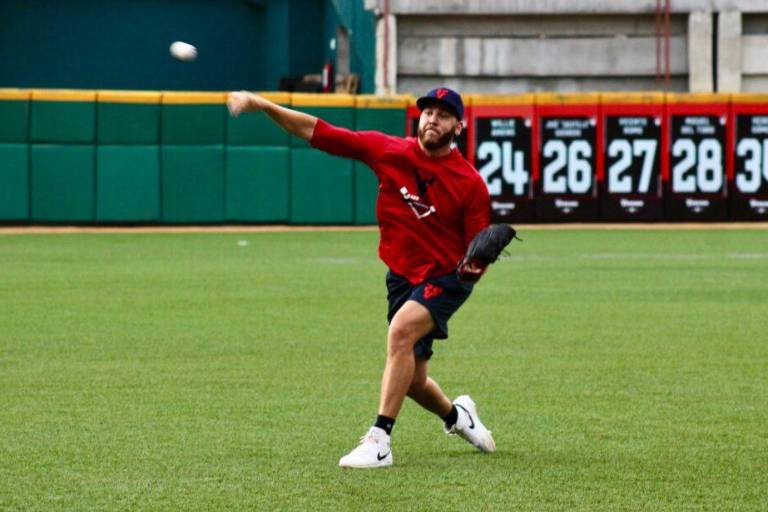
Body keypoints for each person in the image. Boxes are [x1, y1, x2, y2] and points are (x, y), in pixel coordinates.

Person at [227, 87, 496, 469]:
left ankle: (380, 440)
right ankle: (458, 417)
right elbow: (316, 131)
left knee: (400, 333)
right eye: (427, 111)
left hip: (445, 277)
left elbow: (478, 253)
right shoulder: (389, 151)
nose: (433, 118)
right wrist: (261, 104)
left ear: (459, 125)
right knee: (414, 381)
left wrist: (473, 268)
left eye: (443, 114)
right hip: (402, 275)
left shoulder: (469, 184)